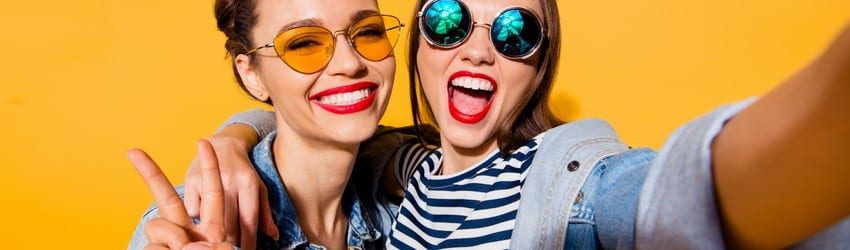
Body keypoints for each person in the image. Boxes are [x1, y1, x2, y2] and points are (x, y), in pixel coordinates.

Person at [184, 0, 850, 248]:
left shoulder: (575, 191)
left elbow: (679, 195)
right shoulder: (394, 176)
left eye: (513, 31)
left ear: (539, 67)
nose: (476, 48)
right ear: (420, 44)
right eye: (447, 20)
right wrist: (235, 141)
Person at [127, 0, 408, 249]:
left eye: (368, 32)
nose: (349, 63)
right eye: (303, 43)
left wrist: (236, 134)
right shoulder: (196, 228)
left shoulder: (407, 208)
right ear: (252, 75)